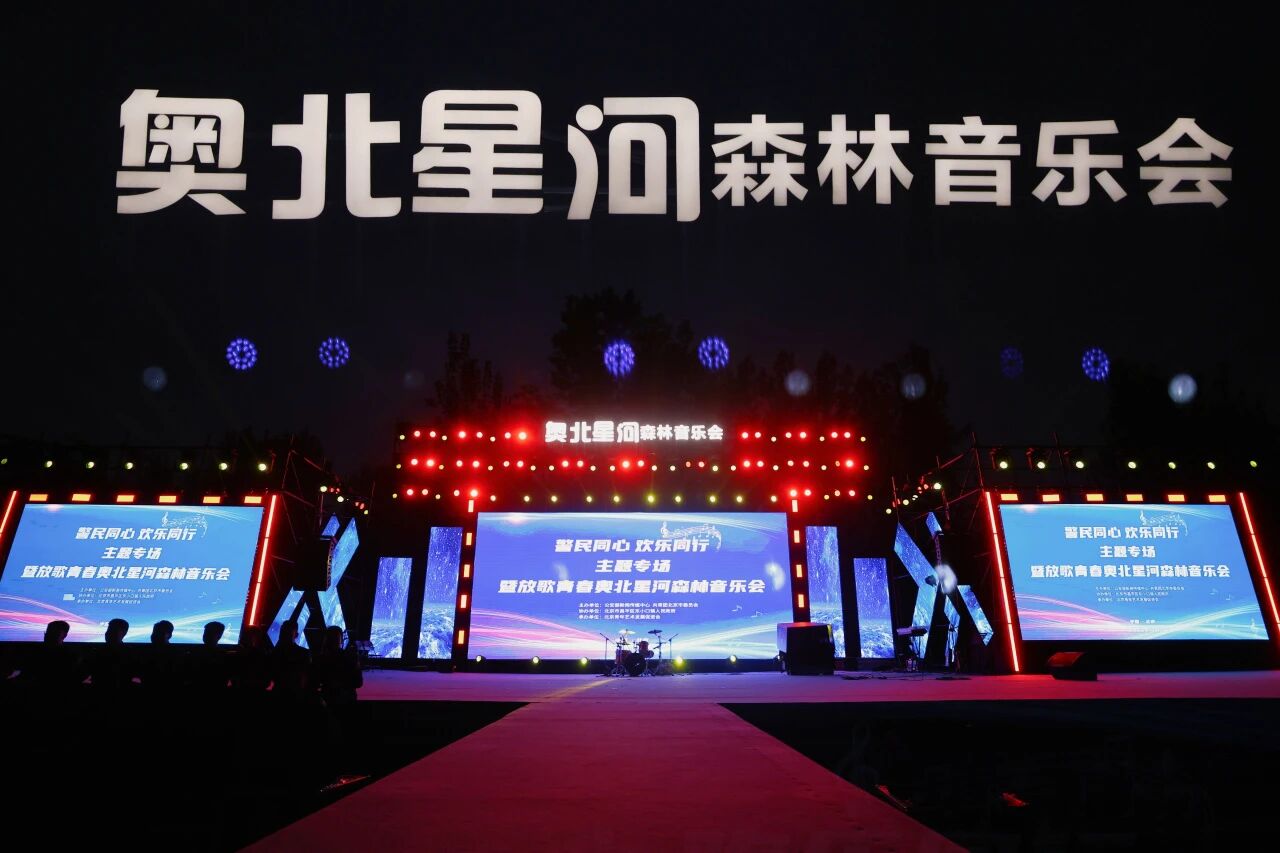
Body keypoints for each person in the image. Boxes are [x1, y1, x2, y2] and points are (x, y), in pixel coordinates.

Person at [19, 620, 82, 694]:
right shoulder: (73, 655)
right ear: (65, 635)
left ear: (64, 635)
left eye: (53, 633)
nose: (47, 635)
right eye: (48, 633)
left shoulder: (34, 654)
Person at [312, 626, 362, 707]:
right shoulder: (351, 657)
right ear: (341, 640)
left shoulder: (319, 659)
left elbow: (314, 682)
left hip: (327, 700)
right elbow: (358, 683)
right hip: (348, 701)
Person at [89, 618, 133, 692]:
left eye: (113, 631)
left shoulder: (130, 654)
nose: (108, 633)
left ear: (124, 633)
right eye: (108, 630)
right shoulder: (95, 652)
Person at [270, 620, 311, 697]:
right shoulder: (303, 653)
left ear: (296, 635)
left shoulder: (274, 653)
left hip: (289, 695)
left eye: (287, 634)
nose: (284, 636)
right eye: (283, 633)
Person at [190, 621, 230, 692]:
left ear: (219, 636)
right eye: (205, 633)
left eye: (209, 633)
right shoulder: (223, 654)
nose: (205, 636)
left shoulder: (195, 652)